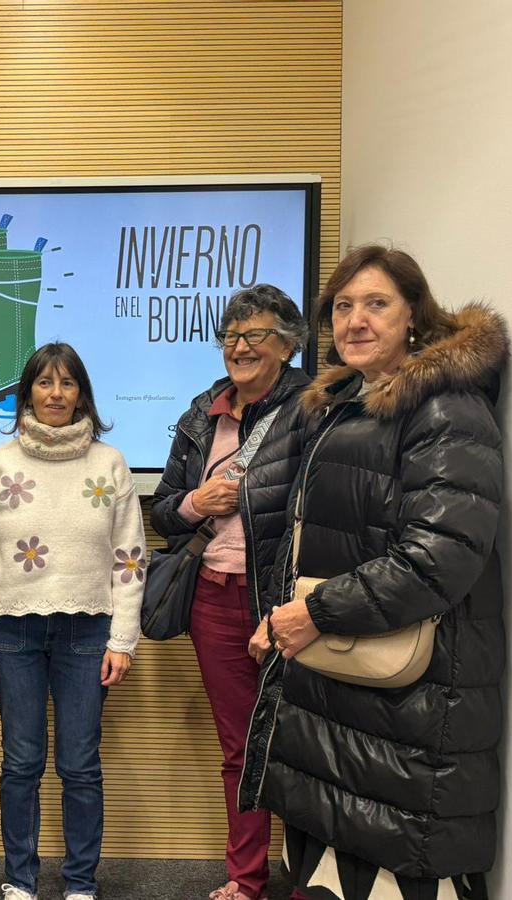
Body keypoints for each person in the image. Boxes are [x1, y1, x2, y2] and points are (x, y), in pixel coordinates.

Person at [239, 246, 508, 900]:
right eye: (342, 306)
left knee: (398, 871)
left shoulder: (446, 410)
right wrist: (277, 618)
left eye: (376, 304)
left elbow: (437, 557)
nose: (355, 320)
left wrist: (313, 615)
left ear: (414, 315)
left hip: (415, 707)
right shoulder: (340, 404)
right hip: (347, 680)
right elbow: (305, 534)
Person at [0, 342, 146, 900]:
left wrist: (123, 640)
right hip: (11, 631)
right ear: (27, 393)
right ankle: (20, 879)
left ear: (82, 393)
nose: (56, 394)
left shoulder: (109, 463)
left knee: (80, 765)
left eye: (67, 384)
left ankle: (80, 882)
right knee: (21, 762)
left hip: (88, 634)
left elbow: (130, 559)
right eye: (44, 383)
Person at [151, 285, 310, 900]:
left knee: (302, 742)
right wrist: (196, 502)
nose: (239, 348)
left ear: (288, 345)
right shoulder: (201, 411)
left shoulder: (315, 407)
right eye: (231, 336)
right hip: (214, 597)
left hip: (290, 601)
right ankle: (247, 879)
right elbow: (166, 509)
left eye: (256, 336)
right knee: (241, 747)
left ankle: (307, 881)